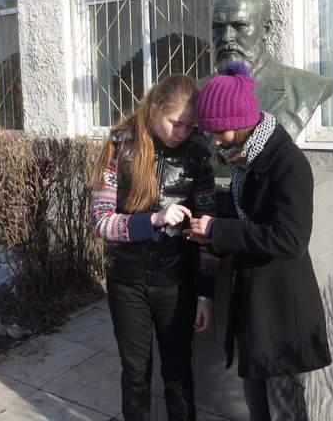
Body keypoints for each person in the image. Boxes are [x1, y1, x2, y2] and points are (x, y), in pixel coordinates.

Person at [186, 62, 331, 421]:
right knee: (257, 404)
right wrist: (208, 229)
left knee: (284, 408)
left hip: (280, 309)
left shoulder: (288, 163)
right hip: (253, 305)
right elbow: (244, 215)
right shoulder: (245, 160)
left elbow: (291, 238)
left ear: (238, 122)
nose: (214, 140)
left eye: (218, 131)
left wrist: (218, 230)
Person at [90, 74, 218, 421]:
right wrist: (153, 220)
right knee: (135, 373)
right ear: (155, 108)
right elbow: (101, 220)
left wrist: (205, 293)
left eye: (190, 126)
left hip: (176, 282)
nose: (182, 132)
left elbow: (208, 230)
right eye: (176, 123)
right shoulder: (119, 146)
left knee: (178, 373)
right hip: (127, 281)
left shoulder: (198, 154)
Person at [210, 0, 333, 140]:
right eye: (218, 27)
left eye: (240, 26)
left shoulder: (308, 88)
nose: (226, 37)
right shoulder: (196, 93)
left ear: (266, 30)